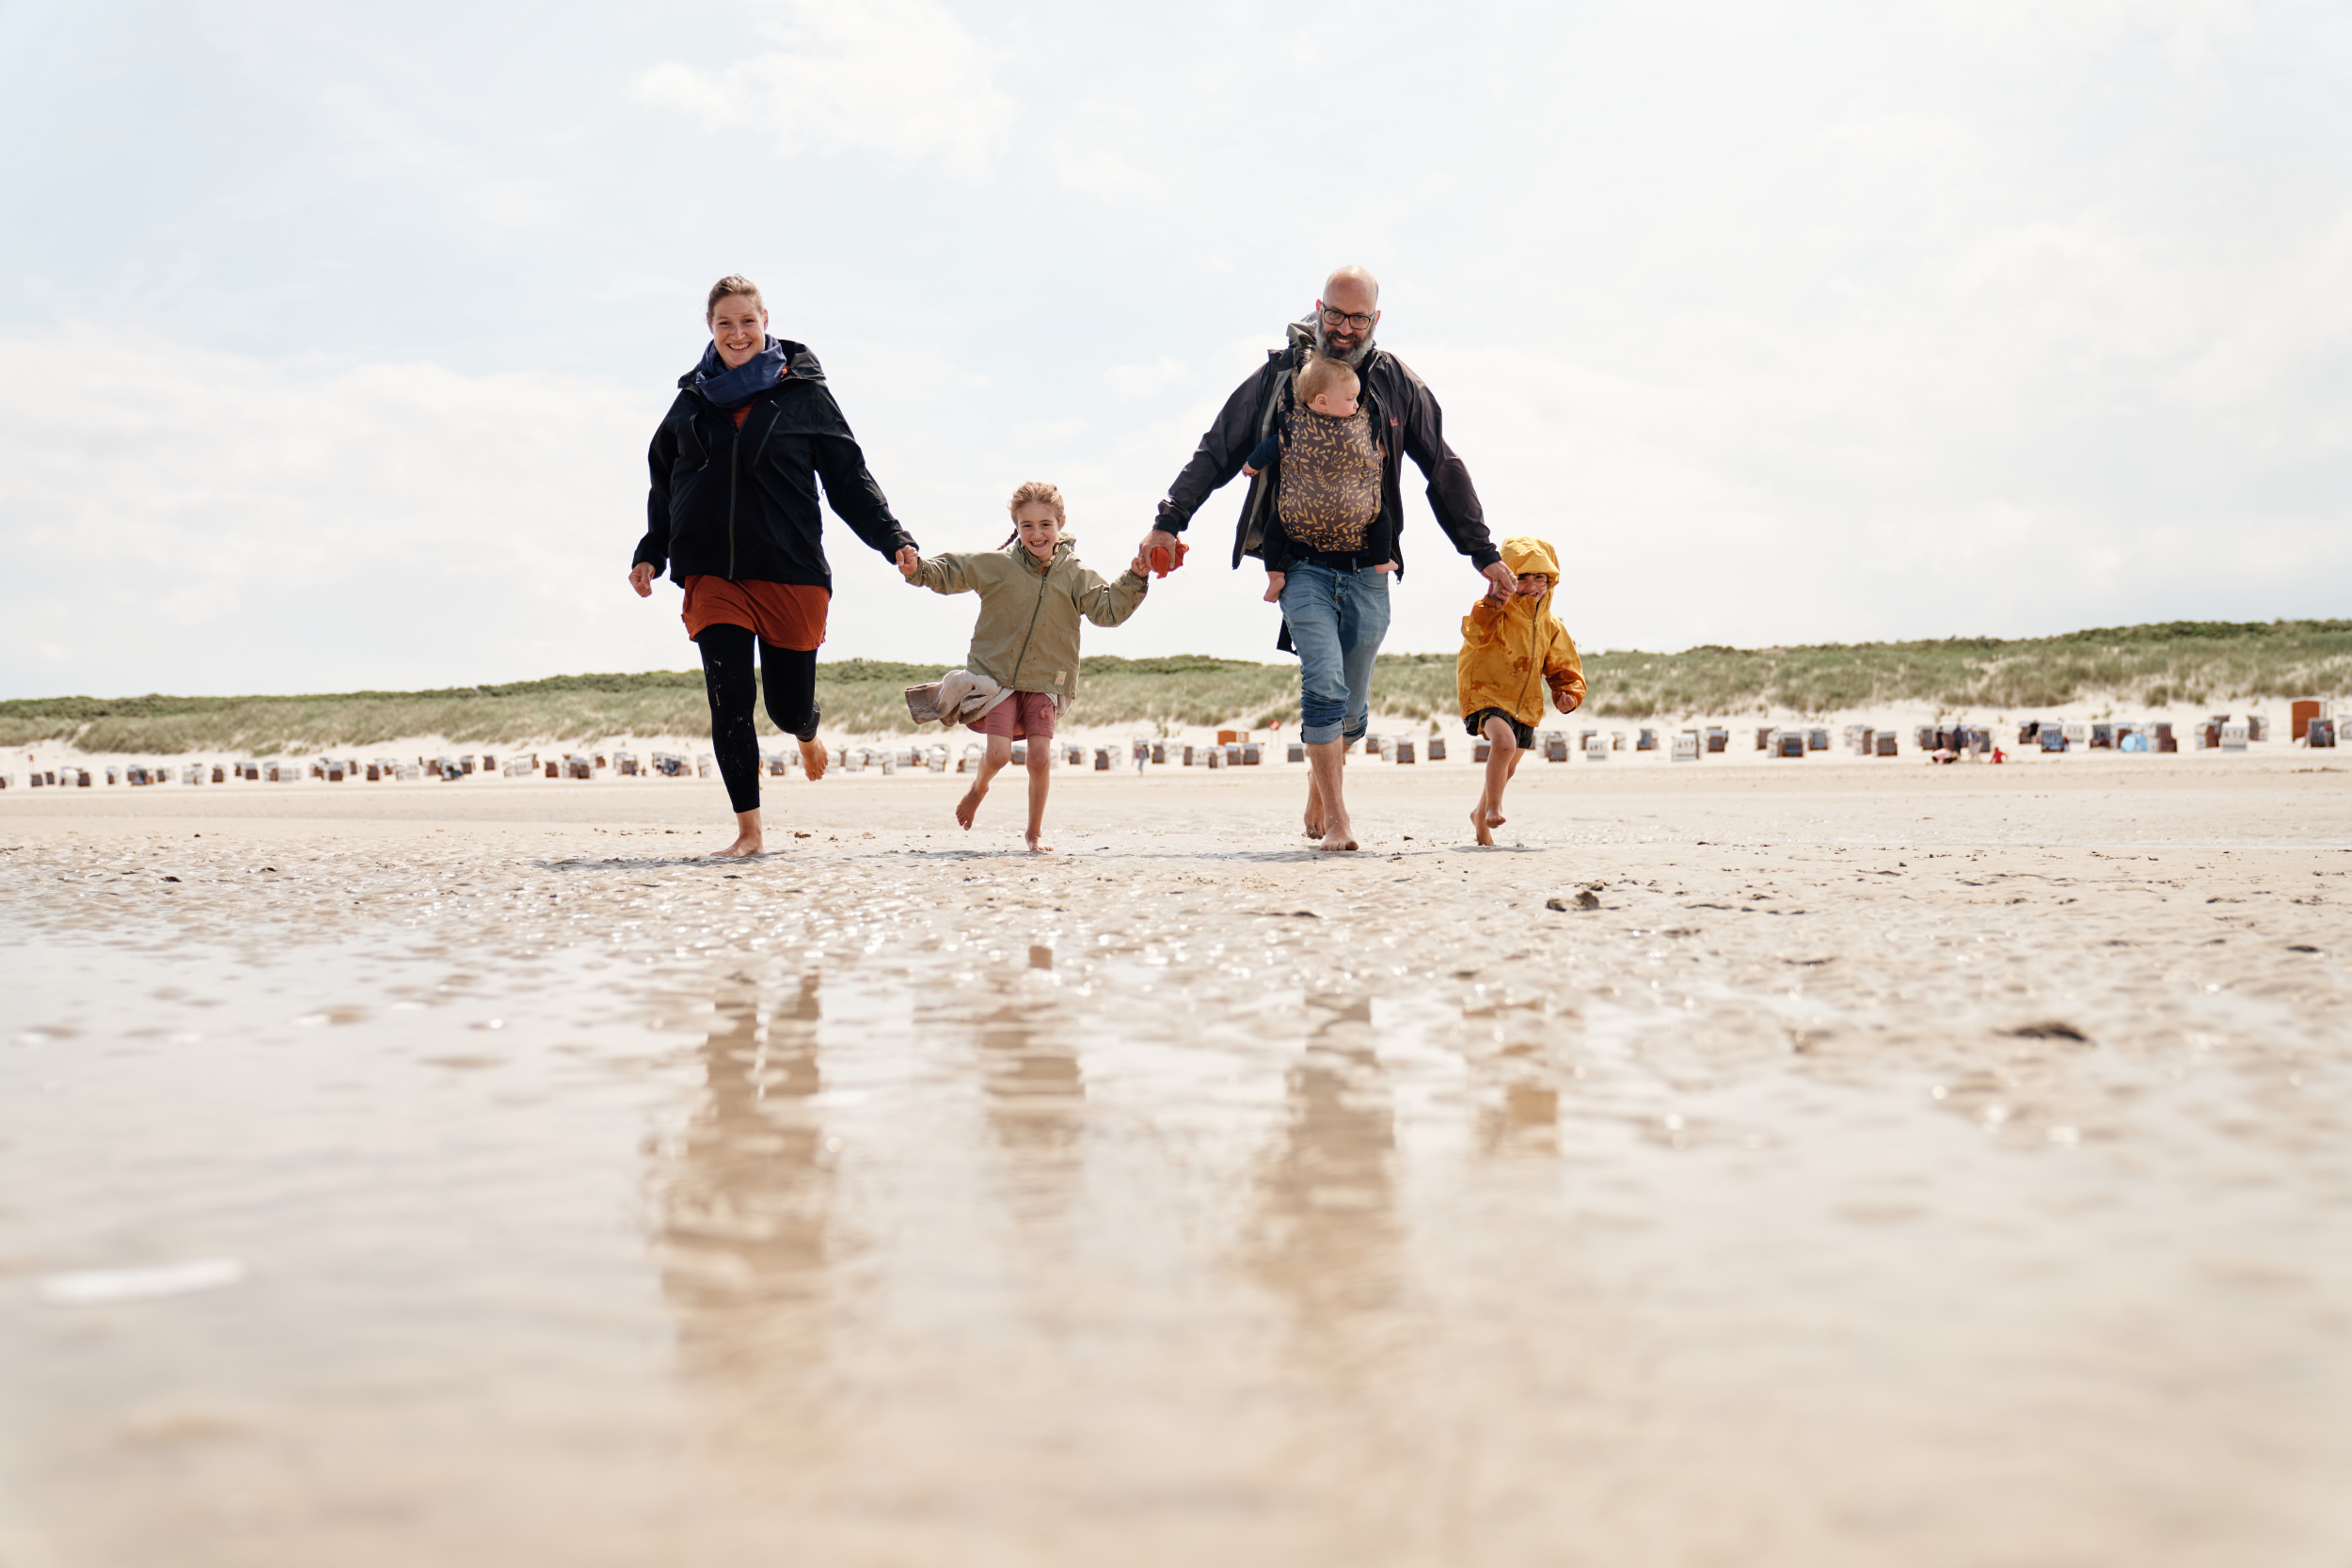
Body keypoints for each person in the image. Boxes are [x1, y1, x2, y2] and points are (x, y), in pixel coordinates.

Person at [1139, 265, 1515, 851]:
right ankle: (1340, 819)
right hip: (1300, 564)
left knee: (1353, 706)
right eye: (1333, 314)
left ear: (1375, 320)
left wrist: (1482, 552)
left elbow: (1442, 467)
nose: (1342, 328)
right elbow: (1218, 450)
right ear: (1318, 308)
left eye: (1356, 317)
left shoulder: (1395, 385)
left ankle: (1321, 782)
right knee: (1323, 685)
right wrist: (1169, 519)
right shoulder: (1280, 376)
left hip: (1369, 567)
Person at [631, 276, 921, 859]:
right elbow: (666, 483)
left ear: (766, 319)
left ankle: (807, 730)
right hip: (713, 573)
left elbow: (848, 479)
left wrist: (893, 539)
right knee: (729, 697)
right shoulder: (690, 402)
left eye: (746, 321)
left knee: (786, 707)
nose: (736, 333)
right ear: (710, 329)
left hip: (790, 570)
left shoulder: (805, 394)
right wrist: (651, 550)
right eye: (724, 324)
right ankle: (749, 831)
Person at [901, 482, 1149, 852]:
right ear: (1015, 525)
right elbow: (952, 570)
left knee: (1039, 758)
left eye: (1046, 524)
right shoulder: (997, 565)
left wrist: (1136, 577)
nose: (1037, 533)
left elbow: (1108, 610)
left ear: (1061, 523)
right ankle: (978, 787)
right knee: (998, 755)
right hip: (996, 678)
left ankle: (1034, 832)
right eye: (1027, 525)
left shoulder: (1076, 574)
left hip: (1048, 678)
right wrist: (918, 568)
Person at [1456, 537, 1584, 846]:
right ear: (1507, 577)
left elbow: (1563, 667)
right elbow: (1475, 632)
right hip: (1485, 690)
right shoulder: (1494, 610)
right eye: (1521, 577)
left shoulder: (1551, 625)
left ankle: (1479, 813)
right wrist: (1492, 603)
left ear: (1550, 580)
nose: (1531, 585)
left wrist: (1567, 693)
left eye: (1539, 577)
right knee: (1503, 743)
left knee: (1509, 766)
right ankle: (1494, 808)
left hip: (1525, 702)